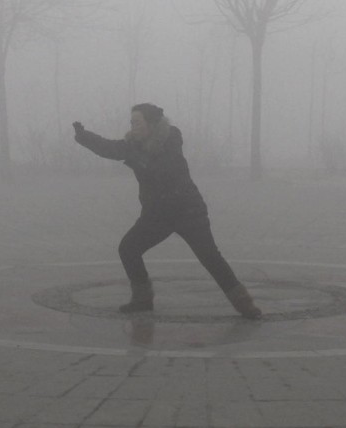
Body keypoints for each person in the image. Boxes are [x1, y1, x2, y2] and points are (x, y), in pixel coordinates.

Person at [73, 103, 262, 318]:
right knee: (128, 249)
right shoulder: (132, 145)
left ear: (151, 124)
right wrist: (84, 136)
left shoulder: (171, 138)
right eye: (131, 122)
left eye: (137, 122)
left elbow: (164, 169)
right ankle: (142, 299)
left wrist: (137, 158)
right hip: (157, 215)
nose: (133, 126)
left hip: (188, 211)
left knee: (210, 257)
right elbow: (108, 148)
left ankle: (245, 304)